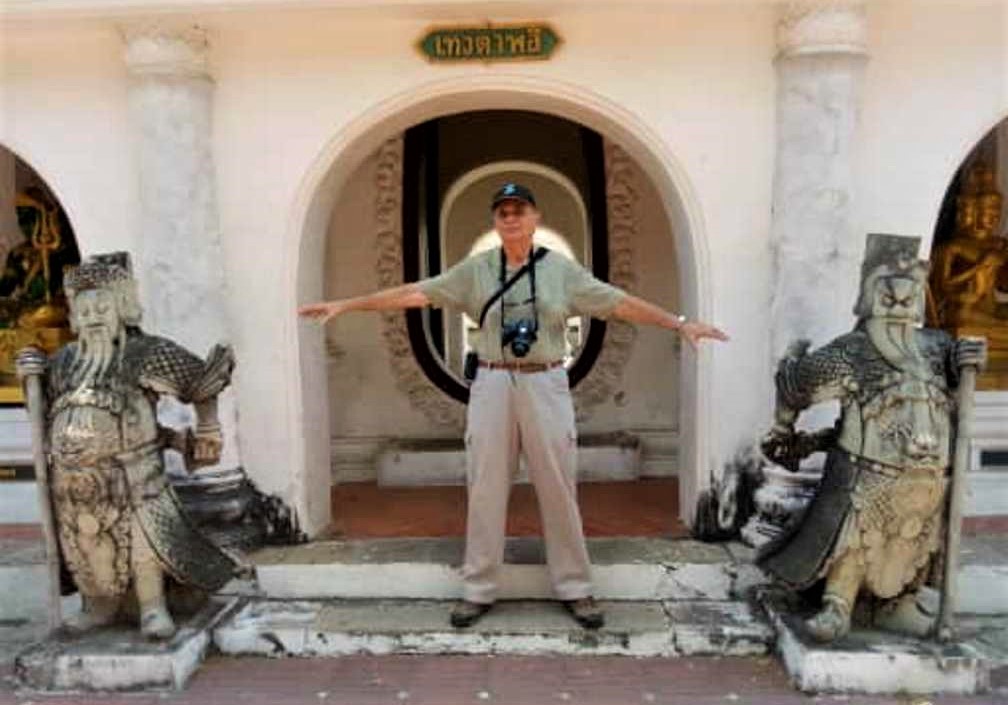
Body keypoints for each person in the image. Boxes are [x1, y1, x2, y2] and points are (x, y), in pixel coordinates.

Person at [299, 183, 728, 629]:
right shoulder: (477, 270)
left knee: (558, 484)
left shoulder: (561, 271)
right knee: (485, 483)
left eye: (519, 209)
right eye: (502, 211)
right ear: (496, 222)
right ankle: (479, 587)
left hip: (544, 380)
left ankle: (576, 587)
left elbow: (617, 303)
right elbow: (416, 293)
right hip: (492, 379)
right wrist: (345, 305)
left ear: (535, 217)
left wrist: (680, 324)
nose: (510, 218)